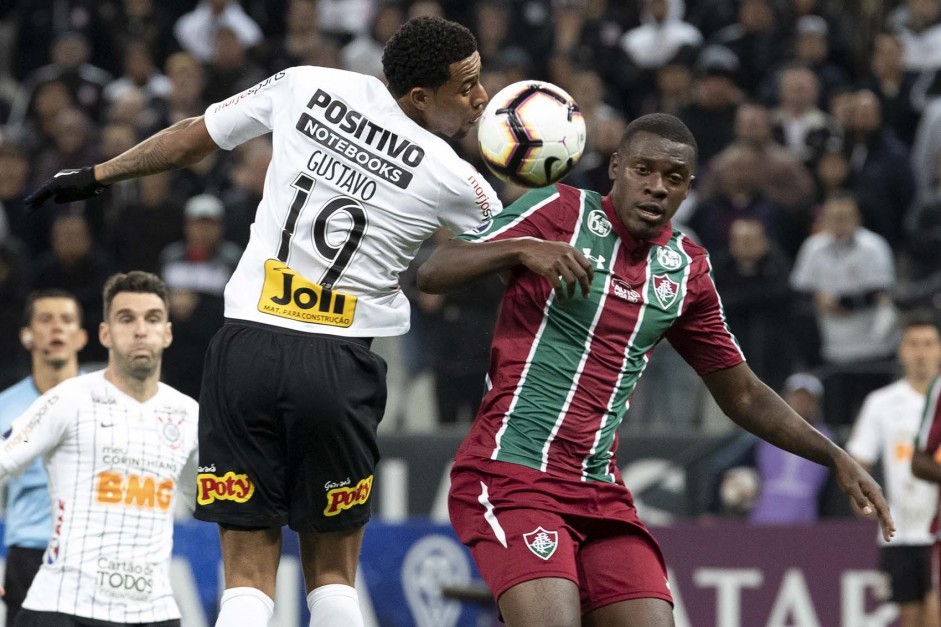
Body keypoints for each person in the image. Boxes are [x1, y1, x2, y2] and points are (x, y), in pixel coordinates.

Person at [24, 16, 500, 627]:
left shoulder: (305, 85)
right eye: (467, 87)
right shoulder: (456, 176)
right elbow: (507, 243)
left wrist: (94, 175)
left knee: (246, 576)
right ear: (418, 98)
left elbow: (193, 137)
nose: (480, 98)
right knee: (331, 576)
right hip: (339, 366)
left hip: (246, 351)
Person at [416, 113, 894, 627]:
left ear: (689, 188)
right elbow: (434, 271)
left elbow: (745, 396)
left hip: (599, 492)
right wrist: (521, 248)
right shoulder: (559, 208)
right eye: (644, 169)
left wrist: (835, 456)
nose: (656, 187)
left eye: (673, 177)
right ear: (616, 167)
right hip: (512, 475)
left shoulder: (685, 269)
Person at [0, 271, 198, 627]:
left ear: (167, 333)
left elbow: (205, 497)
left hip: (153, 612)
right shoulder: (67, 399)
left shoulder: (189, 415)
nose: (141, 330)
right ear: (105, 334)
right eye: (126, 318)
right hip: (63, 606)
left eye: (152, 319)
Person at [846, 312, 941, 626]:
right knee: (910, 618)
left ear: (939, 350)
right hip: (900, 530)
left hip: (936, 529)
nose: (921, 353)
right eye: (913, 344)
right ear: (901, 351)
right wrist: (861, 499)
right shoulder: (882, 403)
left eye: (928, 344)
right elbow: (858, 461)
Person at [0, 290, 87, 627]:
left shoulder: (104, 399)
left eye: (66, 320)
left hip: (89, 552)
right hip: (28, 554)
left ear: (81, 337)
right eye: (45, 319)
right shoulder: (6, 407)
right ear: (27, 335)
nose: (57, 329)